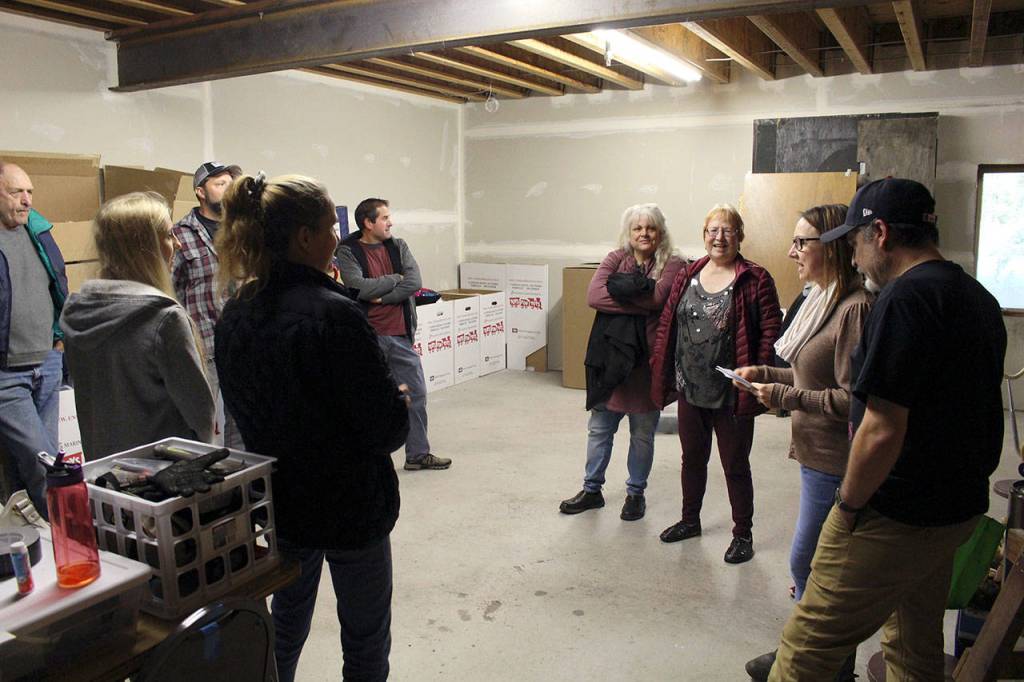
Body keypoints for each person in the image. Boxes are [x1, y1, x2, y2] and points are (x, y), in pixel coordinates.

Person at [767, 179, 1007, 681]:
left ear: (880, 233)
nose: (854, 258)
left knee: (807, 646)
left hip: (895, 511)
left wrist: (848, 506)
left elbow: (880, 427)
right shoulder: (977, 297)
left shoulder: (903, 299)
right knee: (912, 643)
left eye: (855, 243)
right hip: (956, 509)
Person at [214, 173, 409, 682]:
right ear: (304, 237)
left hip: (284, 506)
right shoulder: (336, 316)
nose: (337, 238)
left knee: (283, 627)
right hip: (351, 507)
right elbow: (386, 430)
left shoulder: (236, 313)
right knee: (365, 640)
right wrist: (397, 401)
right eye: (330, 228)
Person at [734, 204, 871, 681]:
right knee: (815, 567)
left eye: (801, 243)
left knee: (809, 564)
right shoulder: (820, 299)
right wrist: (765, 374)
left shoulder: (853, 309)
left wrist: (783, 397)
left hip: (836, 460)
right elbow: (809, 375)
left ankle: (819, 664)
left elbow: (852, 399)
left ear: (830, 247)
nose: (792, 252)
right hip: (814, 455)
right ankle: (808, 656)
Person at [650, 204, 781, 564]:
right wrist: (662, 368)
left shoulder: (755, 278)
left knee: (735, 464)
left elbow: (771, 330)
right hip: (690, 387)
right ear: (704, 235)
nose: (719, 238)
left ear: (740, 236)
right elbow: (668, 324)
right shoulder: (688, 274)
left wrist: (759, 371)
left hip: (732, 394)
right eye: (713, 230)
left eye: (727, 230)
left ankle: (743, 534)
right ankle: (689, 520)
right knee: (692, 459)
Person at [59, 192, 214, 460]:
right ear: (144, 248)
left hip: (106, 472)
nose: (178, 244)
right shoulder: (165, 318)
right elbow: (201, 416)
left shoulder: (78, 313)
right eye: (168, 235)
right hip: (163, 473)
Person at [559, 204, 684, 521]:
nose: (644, 233)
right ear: (629, 233)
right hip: (610, 361)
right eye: (637, 228)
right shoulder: (616, 258)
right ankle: (592, 490)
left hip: (647, 364)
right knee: (599, 430)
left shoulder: (673, 263)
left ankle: (635, 494)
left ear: (660, 232)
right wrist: (644, 304)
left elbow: (659, 298)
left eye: (651, 228)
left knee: (642, 434)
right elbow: (594, 296)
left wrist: (626, 295)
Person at [335, 198, 451, 471]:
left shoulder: (399, 246)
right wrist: (394, 279)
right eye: (385, 218)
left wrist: (384, 297)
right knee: (366, 400)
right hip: (368, 339)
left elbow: (414, 282)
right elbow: (358, 287)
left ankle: (418, 455)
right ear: (368, 222)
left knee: (417, 395)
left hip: (400, 336)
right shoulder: (348, 251)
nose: (391, 222)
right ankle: (366, 460)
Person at [0, 162, 67, 518]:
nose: (27, 200)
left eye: (29, 192)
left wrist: (59, 338)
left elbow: (57, 283)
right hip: (7, 374)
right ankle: (71, 535)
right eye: (16, 192)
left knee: (31, 462)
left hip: (47, 361)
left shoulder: (37, 230)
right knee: (45, 464)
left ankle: (35, 538)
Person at [171, 161, 242, 448]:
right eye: (220, 184)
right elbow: (171, 291)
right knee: (202, 424)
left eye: (230, 184)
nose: (228, 189)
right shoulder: (180, 234)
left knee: (242, 422)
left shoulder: (242, 230)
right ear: (201, 192)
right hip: (203, 346)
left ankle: (242, 473)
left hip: (240, 342)